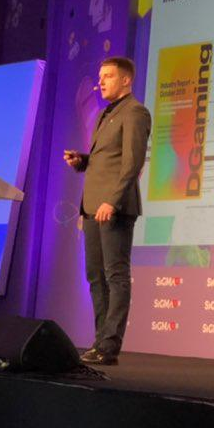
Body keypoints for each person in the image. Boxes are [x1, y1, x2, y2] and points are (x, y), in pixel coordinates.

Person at [63, 57, 152, 366]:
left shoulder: (136, 112)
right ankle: (99, 342)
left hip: (115, 207)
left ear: (126, 80)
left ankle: (110, 345)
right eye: (100, 76)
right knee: (95, 276)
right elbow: (107, 160)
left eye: (108, 76)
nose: (100, 82)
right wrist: (83, 161)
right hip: (92, 206)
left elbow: (132, 164)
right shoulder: (105, 113)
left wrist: (112, 201)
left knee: (115, 275)